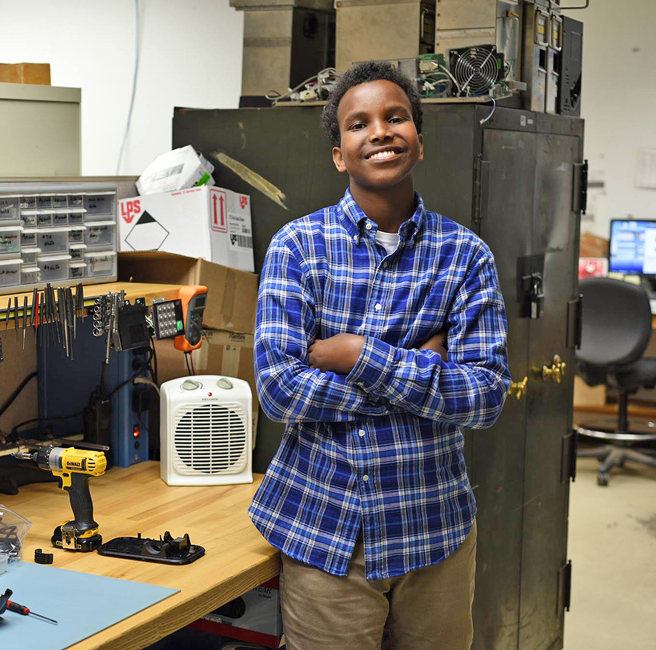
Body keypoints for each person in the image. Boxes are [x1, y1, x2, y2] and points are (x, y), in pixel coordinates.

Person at [249, 61, 511, 650]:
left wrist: (357, 354)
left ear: (418, 139)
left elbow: (486, 396)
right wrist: (424, 368)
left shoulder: (465, 256)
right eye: (359, 123)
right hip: (326, 534)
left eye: (396, 118)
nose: (380, 131)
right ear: (340, 154)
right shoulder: (298, 247)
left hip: (433, 532)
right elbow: (278, 391)